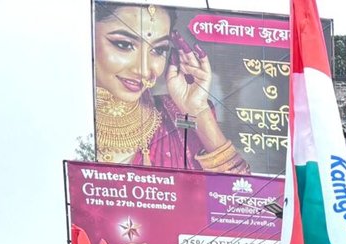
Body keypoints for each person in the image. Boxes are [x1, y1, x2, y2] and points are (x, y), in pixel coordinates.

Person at [91, 3, 248, 173]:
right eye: (124, 44)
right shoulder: (67, 116)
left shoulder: (177, 117)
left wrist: (198, 109)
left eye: (158, 50)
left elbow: (242, 189)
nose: (144, 70)